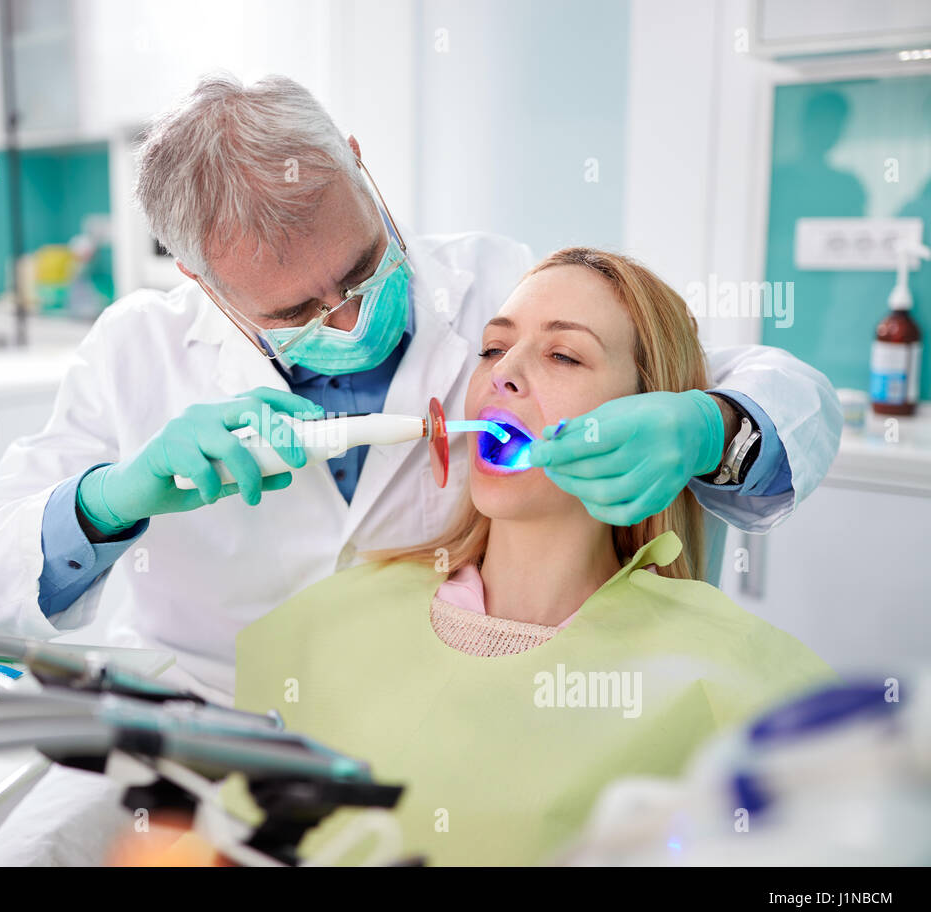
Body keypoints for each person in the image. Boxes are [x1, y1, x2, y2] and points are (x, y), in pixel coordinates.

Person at [0, 74, 841, 704]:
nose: (349, 316)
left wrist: (713, 425)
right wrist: (106, 502)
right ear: (204, 284)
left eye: (364, 269)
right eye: (298, 308)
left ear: (361, 165)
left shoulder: (501, 294)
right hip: (192, 731)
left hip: (428, 726)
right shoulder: (136, 352)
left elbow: (765, 384)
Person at [231, 248, 837, 866]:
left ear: (643, 411)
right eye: (492, 349)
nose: (504, 373)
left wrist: (710, 426)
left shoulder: (722, 673)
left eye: (564, 355)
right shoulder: (331, 620)